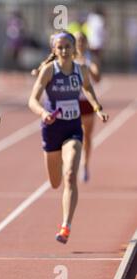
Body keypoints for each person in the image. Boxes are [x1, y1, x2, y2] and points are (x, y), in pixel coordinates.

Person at [28, 31, 109, 244]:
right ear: (54, 50)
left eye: (67, 47)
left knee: (71, 173)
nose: (64, 51)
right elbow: (32, 100)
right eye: (60, 47)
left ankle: (66, 225)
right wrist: (43, 113)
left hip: (73, 127)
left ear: (74, 50)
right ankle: (59, 175)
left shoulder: (80, 69)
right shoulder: (48, 70)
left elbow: (89, 88)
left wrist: (97, 107)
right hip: (52, 129)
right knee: (55, 182)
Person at [73, 31, 101, 182]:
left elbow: (97, 78)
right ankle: (70, 163)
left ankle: (85, 164)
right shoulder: (67, 57)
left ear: (86, 43)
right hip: (71, 101)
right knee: (69, 136)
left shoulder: (91, 59)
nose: (80, 43)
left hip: (86, 102)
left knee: (87, 137)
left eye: (82, 40)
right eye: (77, 40)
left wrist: (87, 67)